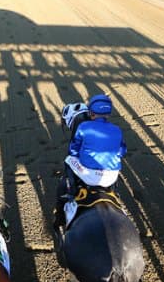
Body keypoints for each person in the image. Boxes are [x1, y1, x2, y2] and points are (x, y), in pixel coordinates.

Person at [54, 94, 126, 228]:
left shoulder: (84, 127)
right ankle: (114, 193)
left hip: (89, 175)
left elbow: (73, 149)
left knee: (69, 160)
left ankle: (68, 197)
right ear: (108, 114)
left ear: (91, 113)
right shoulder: (117, 130)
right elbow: (122, 151)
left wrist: (80, 156)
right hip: (111, 177)